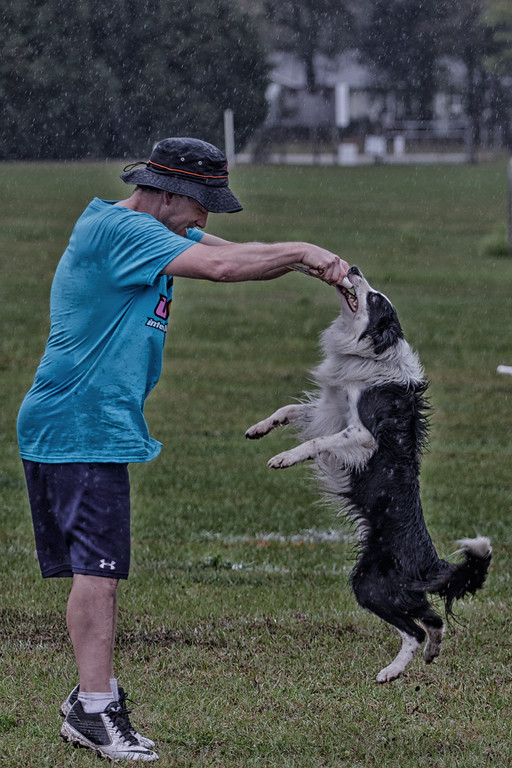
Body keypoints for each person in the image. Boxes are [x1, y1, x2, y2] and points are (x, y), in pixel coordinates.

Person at [17, 137, 349, 762]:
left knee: (99, 569)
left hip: (84, 423)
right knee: (100, 573)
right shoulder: (122, 232)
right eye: (201, 204)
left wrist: (309, 263)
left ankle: (93, 698)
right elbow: (226, 268)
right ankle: (93, 709)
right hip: (79, 424)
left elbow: (233, 252)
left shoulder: (143, 228)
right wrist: (305, 251)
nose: (207, 218)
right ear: (165, 192)